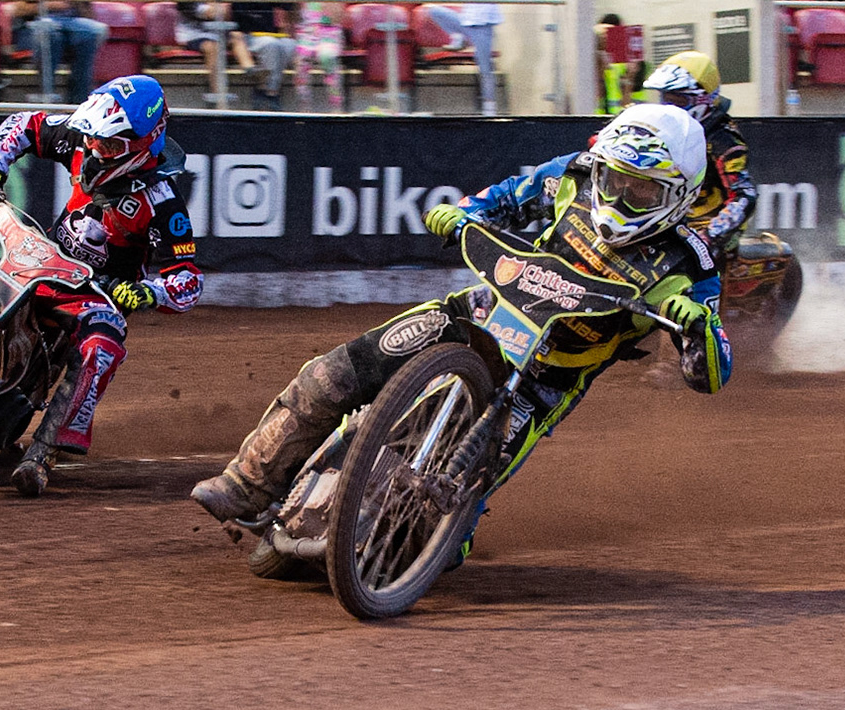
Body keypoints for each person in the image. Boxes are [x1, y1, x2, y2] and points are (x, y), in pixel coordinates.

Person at [188, 102, 732, 549]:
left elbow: (711, 372)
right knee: (331, 377)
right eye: (614, 179)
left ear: (678, 195)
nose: (616, 198)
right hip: (478, 316)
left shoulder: (691, 260)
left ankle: (418, 549)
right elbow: (502, 201)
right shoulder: (573, 177)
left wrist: (696, 327)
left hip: (548, 378)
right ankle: (247, 483)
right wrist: (462, 213)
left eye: (640, 191)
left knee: (448, 512)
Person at [0, 77, 204, 496]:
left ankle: (42, 453)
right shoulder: (84, 138)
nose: (95, 150)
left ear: (142, 143)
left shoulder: (163, 203)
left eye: (108, 147)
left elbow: (188, 279)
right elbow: (24, 123)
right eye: (94, 141)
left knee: (104, 345)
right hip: (47, 264)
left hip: (99, 295)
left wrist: (150, 293)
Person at [639, 50, 756, 265]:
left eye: (677, 101)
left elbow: (744, 195)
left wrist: (711, 235)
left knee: (691, 262)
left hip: (708, 224)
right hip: (667, 216)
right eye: (665, 99)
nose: (668, 108)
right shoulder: (659, 129)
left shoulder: (724, 141)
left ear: (704, 101)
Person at [423, 0, 507, 115]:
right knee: (432, 9)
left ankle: (489, 105)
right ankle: (457, 36)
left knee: (485, 67)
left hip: (483, 27)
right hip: (466, 23)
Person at [228, 0, 293, 106]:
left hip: (268, 32)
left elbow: (288, 4)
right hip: (246, 34)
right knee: (271, 44)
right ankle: (265, 90)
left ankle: (271, 91)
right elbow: (236, 6)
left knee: (290, 45)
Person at [289, 0, 345, 108]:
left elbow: (336, 18)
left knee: (326, 56)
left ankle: (336, 105)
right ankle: (304, 106)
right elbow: (292, 19)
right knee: (301, 61)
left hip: (329, 34)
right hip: (306, 36)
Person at [172, 0, 236, 86]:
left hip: (215, 34)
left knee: (238, 37)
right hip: (192, 36)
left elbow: (225, 13)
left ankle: (251, 71)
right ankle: (217, 93)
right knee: (212, 47)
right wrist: (218, 8)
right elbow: (210, 13)